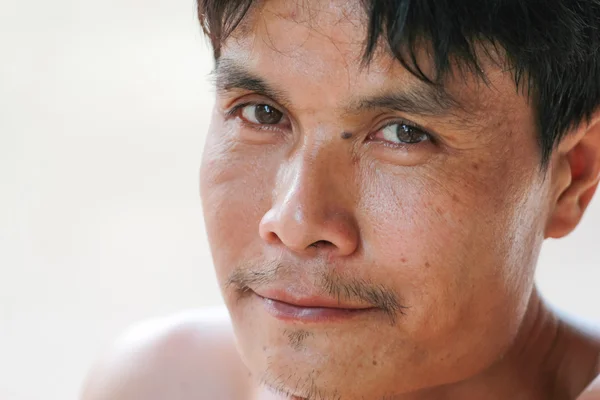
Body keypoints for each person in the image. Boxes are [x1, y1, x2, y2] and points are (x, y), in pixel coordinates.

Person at [81, 0, 600, 399]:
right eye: (261, 113)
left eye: (403, 133)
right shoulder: (162, 383)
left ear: (571, 178)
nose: (294, 220)